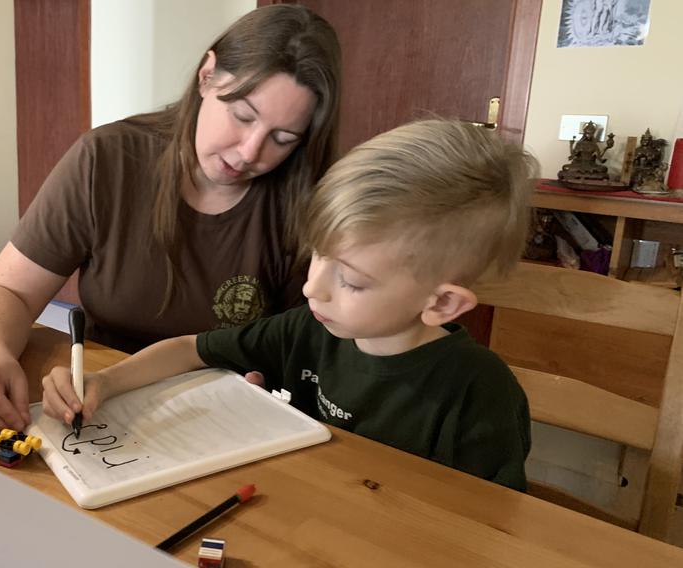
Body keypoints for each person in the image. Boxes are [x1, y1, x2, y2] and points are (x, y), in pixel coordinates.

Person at [42, 119, 539, 491]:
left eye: (351, 280)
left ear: (442, 303)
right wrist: (104, 382)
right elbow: (190, 348)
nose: (312, 288)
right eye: (317, 255)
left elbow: (490, 528)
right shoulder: (313, 328)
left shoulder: (481, 395)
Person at [0, 5, 341, 433]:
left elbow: (311, 346)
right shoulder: (107, 160)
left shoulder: (307, 199)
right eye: (242, 116)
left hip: (223, 416)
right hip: (97, 398)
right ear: (206, 75)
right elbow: (8, 289)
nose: (251, 151)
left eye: (282, 139)